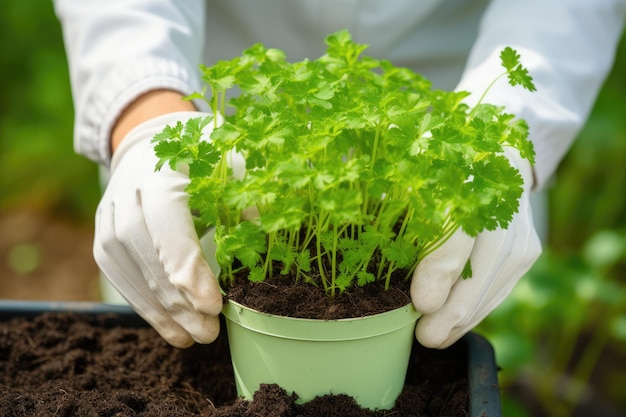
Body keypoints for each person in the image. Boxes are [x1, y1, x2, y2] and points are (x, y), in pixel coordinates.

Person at [53, 1, 626, 349]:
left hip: (448, 108)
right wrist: (147, 114)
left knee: (449, 309)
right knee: (175, 297)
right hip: (214, 111)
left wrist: (502, 140)